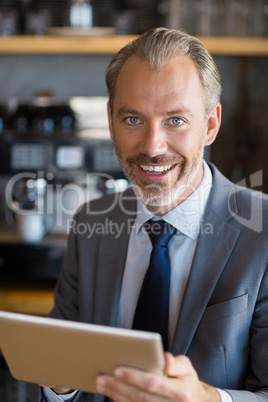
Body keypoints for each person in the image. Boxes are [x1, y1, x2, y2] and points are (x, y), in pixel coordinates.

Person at [27, 28, 268, 402]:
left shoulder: (262, 231)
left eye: (175, 120)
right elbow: (60, 381)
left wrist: (205, 398)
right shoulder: (90, 224)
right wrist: (59, 383)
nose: (153, 147)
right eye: (133, 120)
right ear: (110, 122)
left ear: (210, 124)